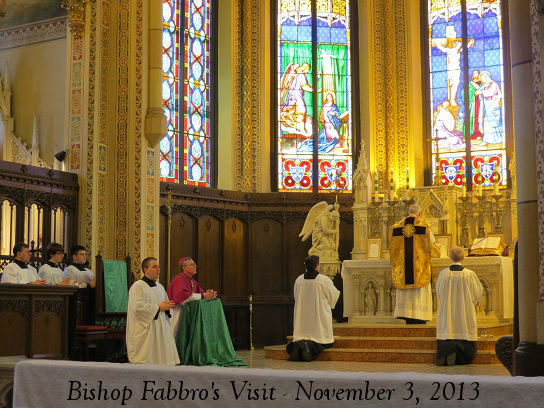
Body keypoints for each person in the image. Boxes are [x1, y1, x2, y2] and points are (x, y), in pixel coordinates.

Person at [435, 246, 483, 366]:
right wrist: (471, 302)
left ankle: (446, 353)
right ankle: (461, 356)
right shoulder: (469, 274)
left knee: (448, 328)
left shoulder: (443, 274)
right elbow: (478, 292)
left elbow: (439, 292)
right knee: (464, 327)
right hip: (464, 309)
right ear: (463, 257)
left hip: (448, 309)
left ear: (450, 257)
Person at [126, 257, 179, 365]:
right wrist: (158, 308)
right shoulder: (137, 286)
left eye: (158, 267)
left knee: (161, 358)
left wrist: (167, 307)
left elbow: (165, 304)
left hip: (161, 325)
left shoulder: (160, 286)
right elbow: (137, 307)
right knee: (148, 358)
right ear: (146, 270)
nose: (158, 269)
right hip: (146, 328)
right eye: (154, 267)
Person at [287, 255, 340, 361]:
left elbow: (296, 296)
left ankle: (299, 345)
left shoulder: (299, 280)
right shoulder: (324, 280)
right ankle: (308, 346)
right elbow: (334, 296)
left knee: (302, 336)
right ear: (317, 266)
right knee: (324, 342)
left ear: (305, 266)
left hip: (302, 319)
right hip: (319, 319)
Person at [390, 203, 435, 324]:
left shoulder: (396, 227)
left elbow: (393, 247)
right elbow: (432, 243)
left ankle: (406, 314)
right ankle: (419, 315)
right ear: (419, 213)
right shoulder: (424, 226)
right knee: (418, 290)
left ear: (408, 212)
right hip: (419, 267)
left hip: (404, 268)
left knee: (406, 287)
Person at [167, 257, 216, 337]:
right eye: (192, 265)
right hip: (177, 311)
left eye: (195, 264)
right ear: (184, 267)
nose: (195, 266)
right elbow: (183, 296)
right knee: (175, 333)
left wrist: (210, 294)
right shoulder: (178, 279)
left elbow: (201, 293)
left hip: (188, 311)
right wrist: (204, 296)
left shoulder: (192, 281)